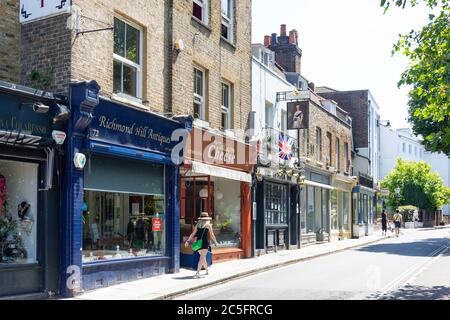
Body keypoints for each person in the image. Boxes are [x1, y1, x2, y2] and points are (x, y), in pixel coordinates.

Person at [185, 212, 219, 278]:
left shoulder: (197, 225)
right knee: (202, 258)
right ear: (207, 218)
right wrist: (216, 242)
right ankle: (197, 273)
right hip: (205, 242)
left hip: (198, 243)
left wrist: (188, 241)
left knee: (202, 257)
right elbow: (212, 235)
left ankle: (206, 270)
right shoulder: (208, 225)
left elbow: (192, 234)